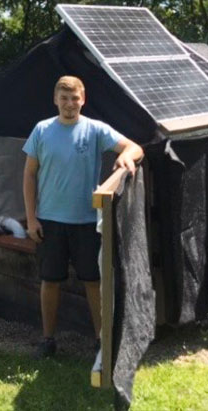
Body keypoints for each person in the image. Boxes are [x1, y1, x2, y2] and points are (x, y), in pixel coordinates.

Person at [22, 75, 143, 358]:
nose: (69, 104)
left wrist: (127, 157)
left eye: (74, 98)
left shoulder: (95, 130)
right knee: (50, 281)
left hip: (87, 222)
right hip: (49, 221)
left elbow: (135, 147)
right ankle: (48, 340)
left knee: (93, 281)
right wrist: (30, 219)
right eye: (64, 98)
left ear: (83, 99)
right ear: (55, 100)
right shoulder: (41, 131)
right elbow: (29, 174)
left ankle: (102, 341)